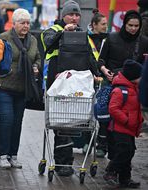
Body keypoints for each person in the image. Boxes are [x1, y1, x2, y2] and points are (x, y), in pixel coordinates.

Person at [41, 0, 98, 176]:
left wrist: (98, 72)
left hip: (76, 83)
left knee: (72, 120)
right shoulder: (52, 31)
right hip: (58, 81)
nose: (74, 18)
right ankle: (62, 162)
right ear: (63, 15)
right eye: (71, 14)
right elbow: (48, 44)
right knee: (59, 123)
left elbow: (90, 56)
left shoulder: (83, 34)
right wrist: (63, 33)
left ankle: (66, 161)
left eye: (77, 15)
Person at [98, 10, 148, 162]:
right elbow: (101, 61)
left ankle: (119, 163)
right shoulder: (111, 38)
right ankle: (104, 145)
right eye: (130, 25)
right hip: (112, 82)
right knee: (108, 118)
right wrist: (104, 71)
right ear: (124, 24)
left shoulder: (144, 42)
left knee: (126, 124)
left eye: (136, 26)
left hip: (132, 86)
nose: (133, 28)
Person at [0, 8, 41, 169]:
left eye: (28, 23)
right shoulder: (3, 38)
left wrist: (35, 66)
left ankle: (13, 155)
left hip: (23, 88)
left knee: (17, 123)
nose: (26, 26)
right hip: (4, 86)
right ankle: (2, 155)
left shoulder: (33, 40)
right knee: (7, 121)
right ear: (14, 24)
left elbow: (38, 58)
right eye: (22, 23)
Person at [103, 59, 143, 188]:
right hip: (120, 128)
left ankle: (125, 179)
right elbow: (113, 109)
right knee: (124, 151)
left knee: (129, 153)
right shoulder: (120, 91)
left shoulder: (134, 89)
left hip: (130, 128)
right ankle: (111, 169)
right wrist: (126, 120)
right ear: (133, 77)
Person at [87, 9, 108, 158]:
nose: (105, 27)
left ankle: (102, 145)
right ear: (94, 25)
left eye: (106, 24)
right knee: (88, 114)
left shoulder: (109, 39)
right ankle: (87, 142)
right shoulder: (87, 39)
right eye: (102, 24)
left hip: (104, 79)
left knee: (103, 114)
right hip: (90, 80)